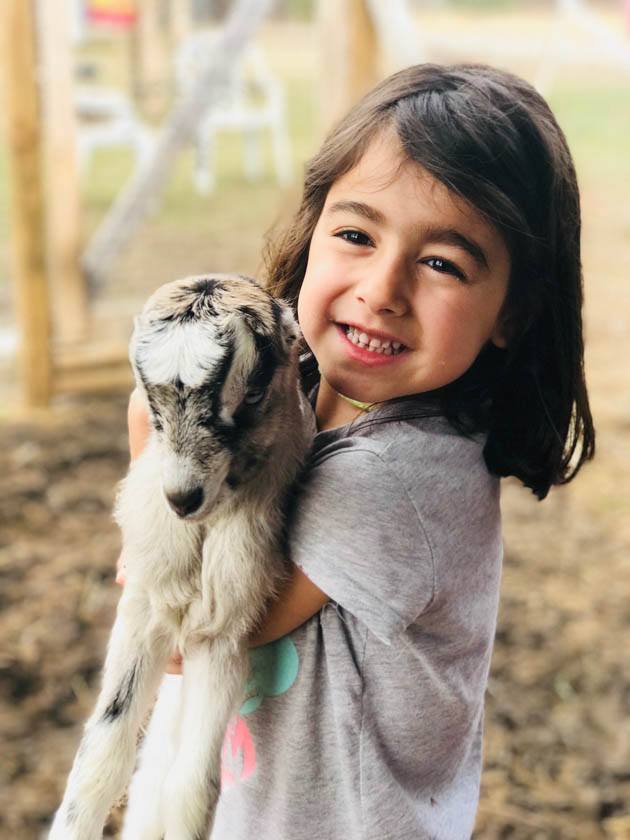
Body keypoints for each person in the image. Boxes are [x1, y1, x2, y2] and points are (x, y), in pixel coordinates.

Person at [123, 63, 595, 839]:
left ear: (513, 311)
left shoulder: (399, 479)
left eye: (442, 262)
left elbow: (188, 634)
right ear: (312, 235)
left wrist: (159, 422)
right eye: (355, 235)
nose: (383, 287)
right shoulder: (299, 389)